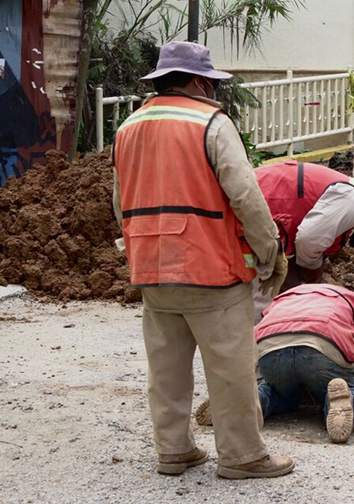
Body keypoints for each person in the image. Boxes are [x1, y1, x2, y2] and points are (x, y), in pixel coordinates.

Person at [112, 41, 294, 480]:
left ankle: (173, 451)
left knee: (167, 368)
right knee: (230, 366)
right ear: (197, 81)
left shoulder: (129, 126)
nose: (214, 91)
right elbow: (246, 195)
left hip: (151, 267)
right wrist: (270, 251)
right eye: (211, 83)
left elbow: (120, 202)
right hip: (210, 269)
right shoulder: (210, 123)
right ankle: (242, 456)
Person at [194, 283, 354, 444]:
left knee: (274, 391)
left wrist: (254, 381)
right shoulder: (351, 299)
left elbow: (251, 345)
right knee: (336, 388)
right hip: (322, 347)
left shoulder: (284, 298)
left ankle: (245, 403)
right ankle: (346, 401)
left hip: (270, 349)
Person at [251, 160, 354, 317]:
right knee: (255, 289)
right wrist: (313, 270)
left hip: (257, 217)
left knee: (259, 280)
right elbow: (308, 240)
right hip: (253, 210)